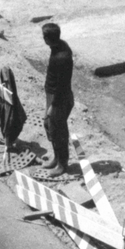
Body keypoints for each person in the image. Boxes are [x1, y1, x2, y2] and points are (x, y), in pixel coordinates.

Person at [41, 21, 75, 175]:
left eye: (44, 36)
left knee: (59, 132)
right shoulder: (57, 46)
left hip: (60, 100)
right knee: (51, 128)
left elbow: (61, 87)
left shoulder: (61, 57)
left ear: (47, 38)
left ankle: (62, 165)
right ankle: (56, 158)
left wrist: (52, 106)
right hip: (53, 95)